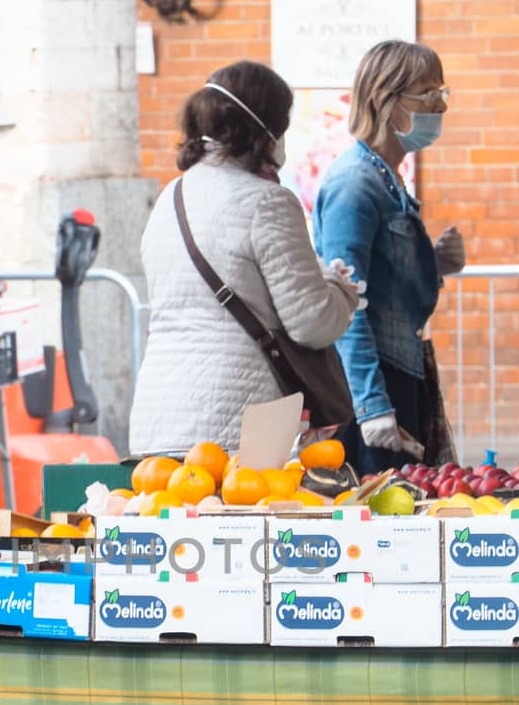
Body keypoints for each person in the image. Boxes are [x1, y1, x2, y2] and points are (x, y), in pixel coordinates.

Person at [128, 60, 362, 456]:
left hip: (158, 416)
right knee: (241, 519)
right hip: (237, 427)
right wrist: (342, 290)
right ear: (266, 131)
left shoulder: (170, 198)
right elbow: (311, 323)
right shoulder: (267, 202)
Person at [314, 40, 464, 472]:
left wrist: (435, 263)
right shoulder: (355, 184)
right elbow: (348, 303)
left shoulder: (386, 178)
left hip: (399, 372)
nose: (440, 107)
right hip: (374, 384)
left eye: (442, 93)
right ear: (386, 100)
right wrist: (372, 407)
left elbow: (382, 279)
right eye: (428, 94)